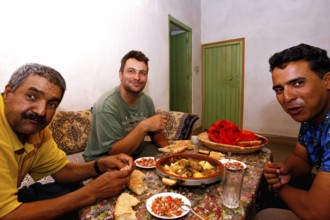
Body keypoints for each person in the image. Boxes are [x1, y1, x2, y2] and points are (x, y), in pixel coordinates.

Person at [0, 63, 134, 219]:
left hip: (12, 199)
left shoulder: (36, 129)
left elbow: (62, 171)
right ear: (8, 93)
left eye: (52, 104)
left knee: (72, 188)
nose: (41, 111)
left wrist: (100, 165)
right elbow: (7, 215)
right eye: (31, 96)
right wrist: (92, 192)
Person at [255, 43, 330, 220]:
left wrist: (280, 186)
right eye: (279, 89)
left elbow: (316, 213)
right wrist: (287, 169)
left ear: (327, 80)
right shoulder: (312, 116)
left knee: (265, 216)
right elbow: (302, 157)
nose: (287, 98)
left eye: (298, 83)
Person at [83, 50, 169, 161]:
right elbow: (114, 152)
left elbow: (156, 134)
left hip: (136, 151)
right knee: (137, 176)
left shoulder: (146, 101)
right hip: (105, 159)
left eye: (142, 73)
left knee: (166, 163)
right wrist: (144, 125)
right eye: (131, 71)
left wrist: (172, 152)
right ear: (120, 74)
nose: (137, 77)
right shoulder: (106, 105)